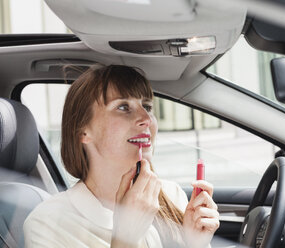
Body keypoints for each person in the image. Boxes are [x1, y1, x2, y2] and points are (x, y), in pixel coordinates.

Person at [24, 64, 219, 248]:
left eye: (148, 106)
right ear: (83, 132)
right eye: (123, 107)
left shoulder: (172, 195)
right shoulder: (47, 223)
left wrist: (196, 244)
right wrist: (124, 237)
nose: (146, 119)